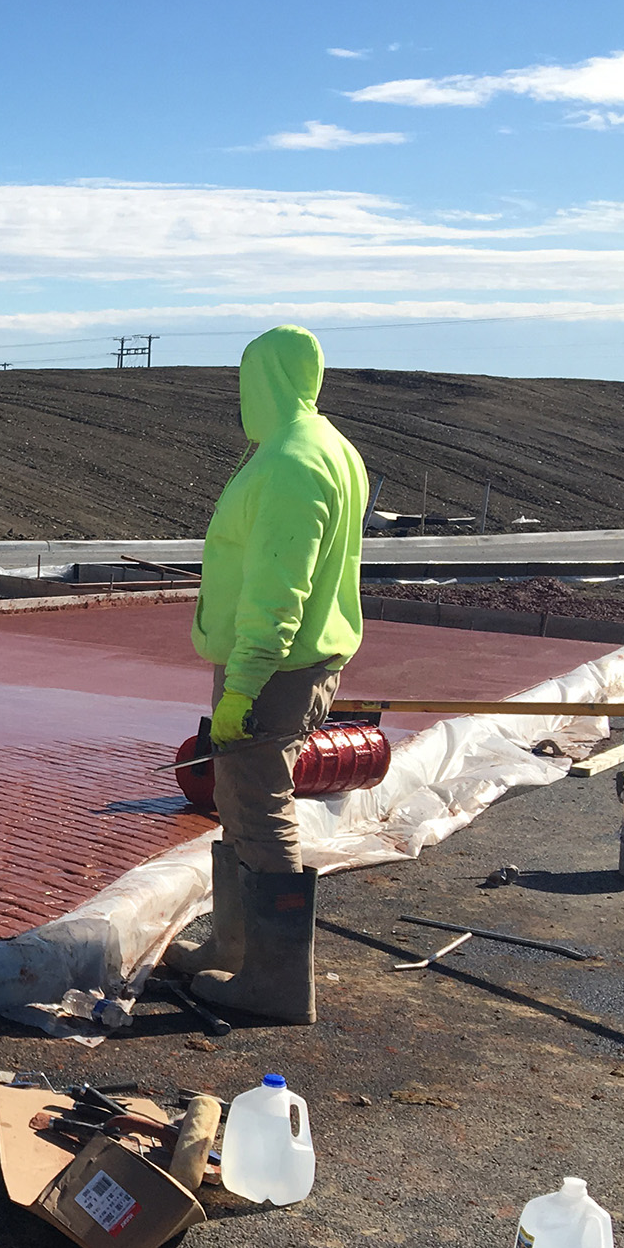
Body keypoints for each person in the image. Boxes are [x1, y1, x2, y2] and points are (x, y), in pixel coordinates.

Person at [183, 325, 369, 1024]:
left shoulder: (292, 462)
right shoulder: (324, 448)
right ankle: (231, 948)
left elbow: (277, 590)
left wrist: (242, 685)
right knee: (238, 803)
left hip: (273, 665)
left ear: (267, 381)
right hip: (285, 659)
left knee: (259, 809)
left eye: (246, 379)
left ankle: (275, 980)